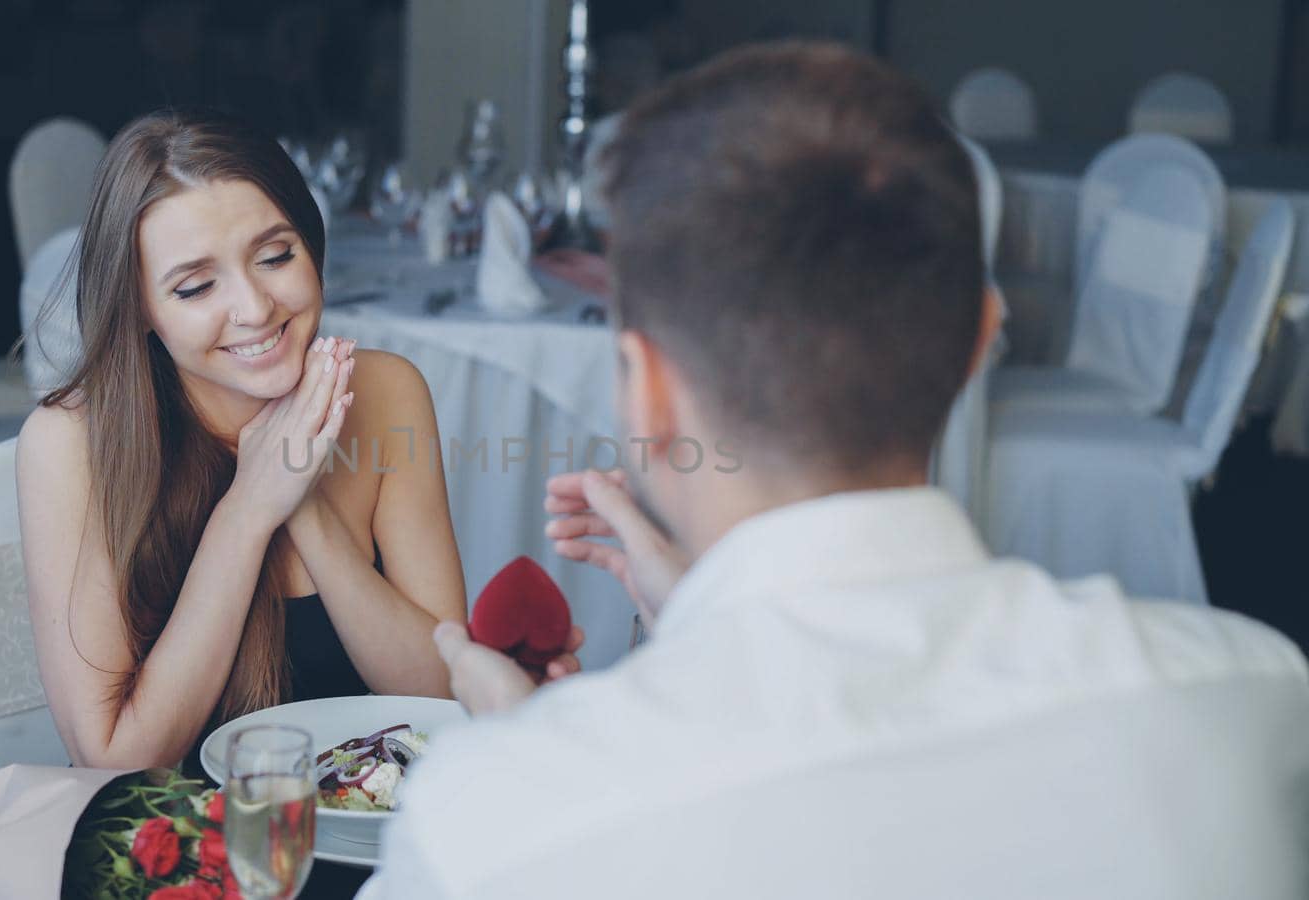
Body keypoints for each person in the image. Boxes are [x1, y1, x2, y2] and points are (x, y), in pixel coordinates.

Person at [362, 43, 1309, 899]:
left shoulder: (494, 823)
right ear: (980, 344)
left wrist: (520, 750)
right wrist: (696, 607)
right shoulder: (1253, 697)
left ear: (644, 389)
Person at [17, 110, 485, 777]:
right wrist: (248, 508)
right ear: (141, 308)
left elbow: (438, 694)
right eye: (196, 286)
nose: (256, 307)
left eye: (275, 256)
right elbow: (116, 759)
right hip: (179, 850)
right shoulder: (70, 443)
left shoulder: (385, 395)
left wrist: (306, 503)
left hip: (369, 831)